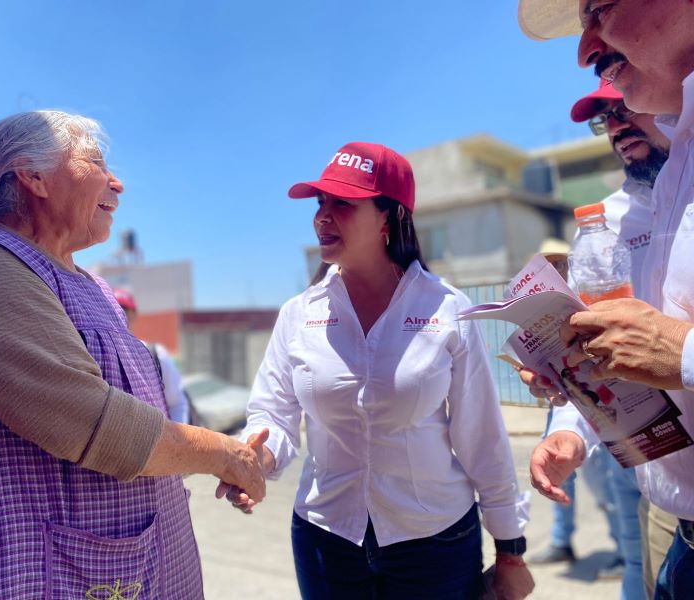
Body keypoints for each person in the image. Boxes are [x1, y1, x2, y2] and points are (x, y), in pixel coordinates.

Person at [0, 110, 268, 598]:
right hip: (33, 573)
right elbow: (92, 423)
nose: (117, 184)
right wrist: (226, 453)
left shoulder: (91, 283)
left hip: (129, 563)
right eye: (96, 162)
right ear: (32, 176)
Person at [217, 141, 534, 599]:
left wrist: (510, 549)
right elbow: (273, 415)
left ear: (389, 216)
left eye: (342, 203)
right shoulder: (298, 314)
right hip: (326, 541)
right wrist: (256, 459)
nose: (322, 215)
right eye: (320, 202)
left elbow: (482, 437)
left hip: (435, 542)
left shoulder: (445, 308)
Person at [518, 2, 694, 597]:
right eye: (605, 120)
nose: (618, 124)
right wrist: (571, 414)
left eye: (600, 7)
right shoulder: (625, 214)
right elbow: (624, 353)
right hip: (676, 518)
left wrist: (684, 353)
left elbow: (668, 349)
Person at [530, 237, 625, 570]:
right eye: (548, 263)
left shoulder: (585, 296)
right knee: (558, 470)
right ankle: (561, 540)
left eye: (559, 261)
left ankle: (622, 547)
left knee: (606, 480)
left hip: (592, 400)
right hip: (561, 402)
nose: (554, 268)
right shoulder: (536, 302)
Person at [113, 287, 196, 425]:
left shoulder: (154, 354)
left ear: (133, 314)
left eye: (124, 310)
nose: (119, 314)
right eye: (113, 308)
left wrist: (177, 443)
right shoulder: (97, 354)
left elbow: (177, 402)